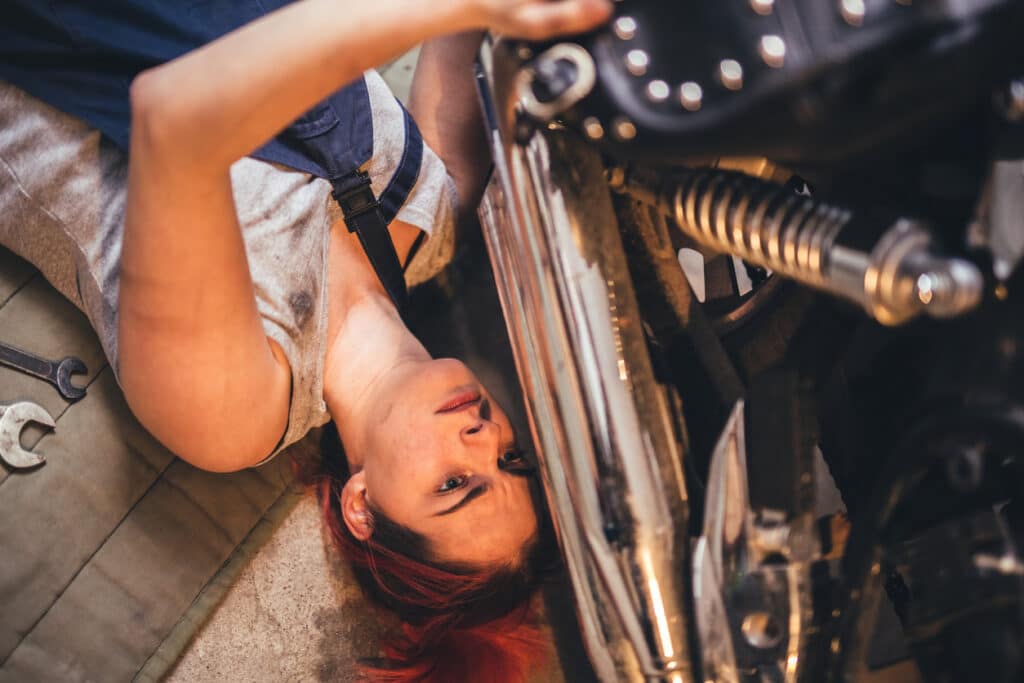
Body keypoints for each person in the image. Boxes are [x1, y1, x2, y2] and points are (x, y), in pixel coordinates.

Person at [0, 0, 612, 680]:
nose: (483, 439)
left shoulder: (234, 413)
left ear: (362, 505)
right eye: (512, 458)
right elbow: (466, 31)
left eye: (455, 483)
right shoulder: (444, 213)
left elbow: (177, 117)